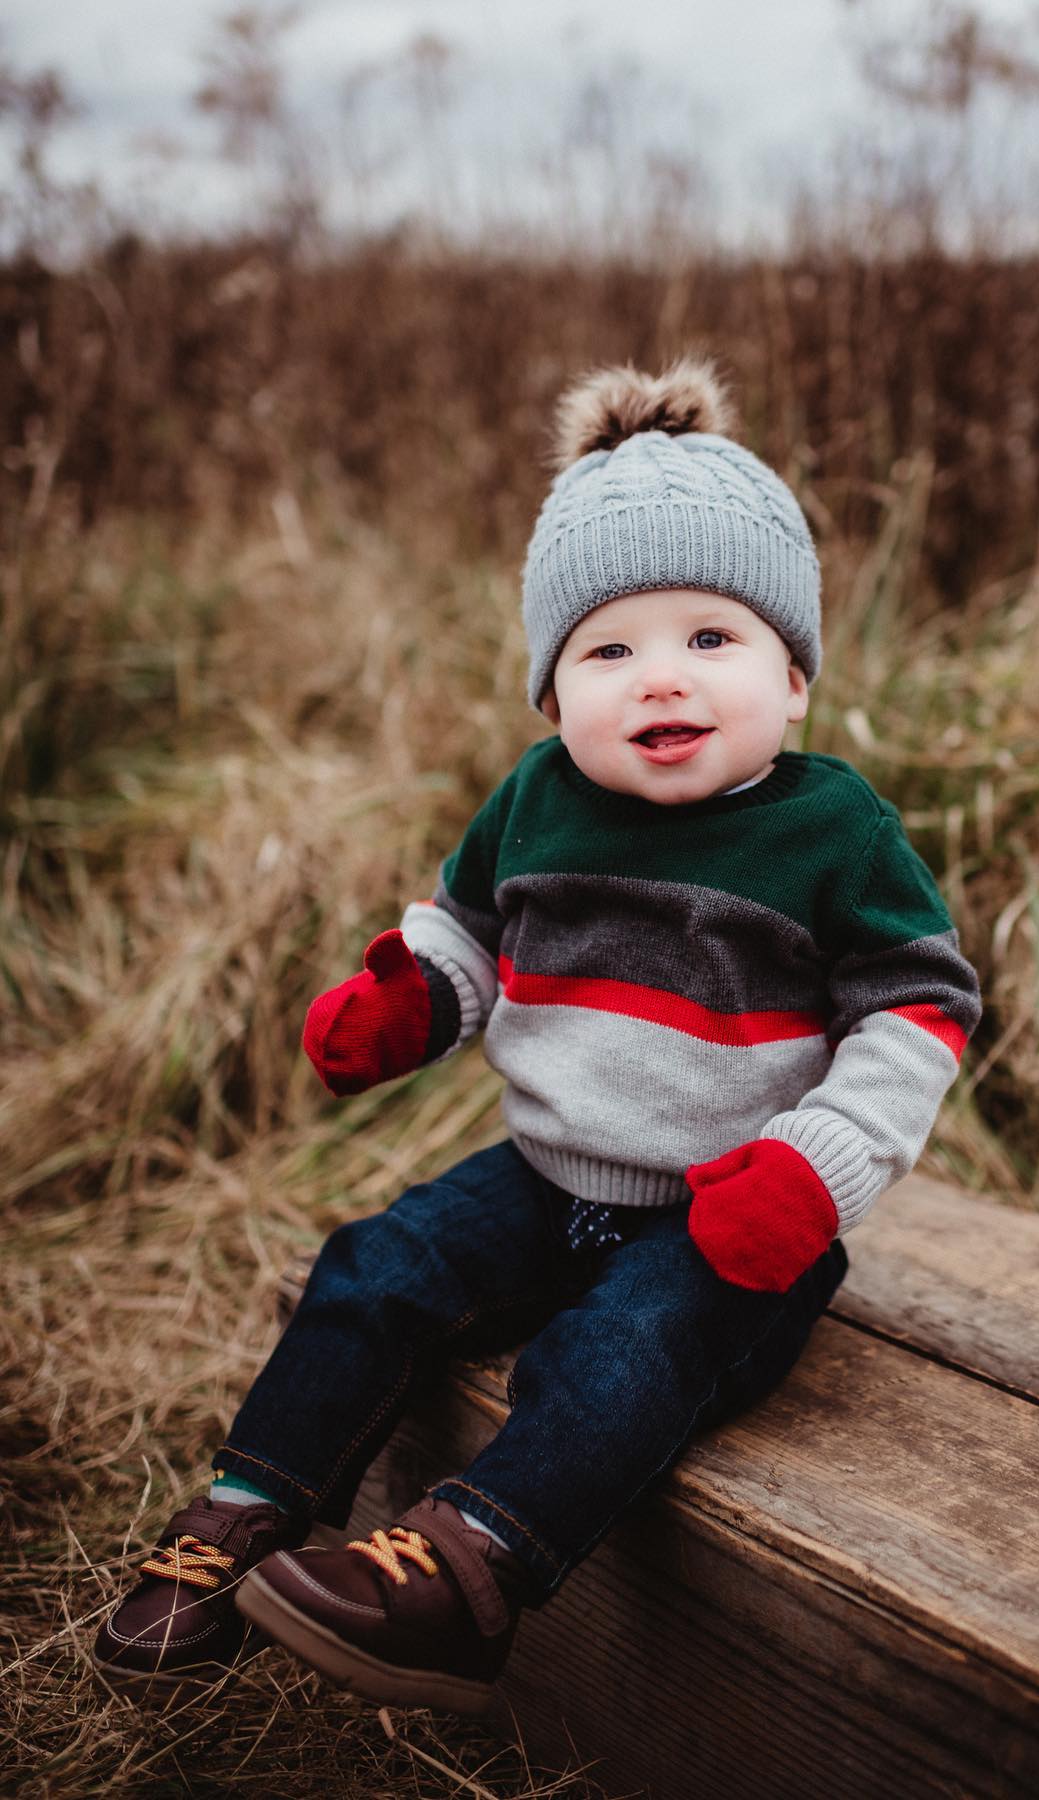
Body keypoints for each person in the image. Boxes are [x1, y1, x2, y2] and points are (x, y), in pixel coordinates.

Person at [93, 356, 982, 1714]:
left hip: (731, 1224)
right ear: (553, 692)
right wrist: (411, 998)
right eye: (609, 649)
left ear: (794, 679)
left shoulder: (832, 830)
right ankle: (242, 1509)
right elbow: (466, 929)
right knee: (372, 1266)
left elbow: (920, 1012)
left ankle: (465, 1575)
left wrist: (818, 1166)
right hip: (546, 1180)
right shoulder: (539, 800)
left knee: (620, 1350)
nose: (660, 680)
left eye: (711, 639)